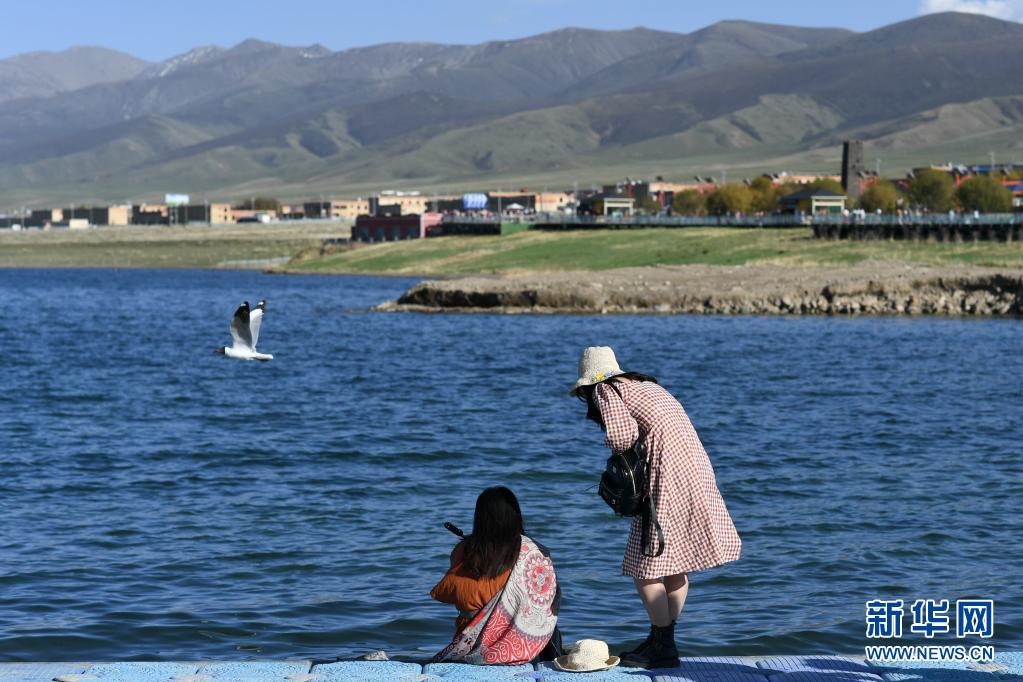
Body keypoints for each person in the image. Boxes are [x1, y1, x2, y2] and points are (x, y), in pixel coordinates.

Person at [571, 347, 741, 669]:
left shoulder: (606, 389)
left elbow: (622, 437)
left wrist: (614, 459)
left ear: (588, 384)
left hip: (667, 475)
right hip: (696, 469)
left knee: (644, 567)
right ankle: (663, 639)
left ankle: (662, 644)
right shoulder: (646, 385)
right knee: (675, 564)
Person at [430, 487, 562, 665]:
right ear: (516, 516)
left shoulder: (463, 550)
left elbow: (444, 593)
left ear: (479, 518)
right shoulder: (534, 551)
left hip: (471, 647)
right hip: (527, 648)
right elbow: (551, 598)